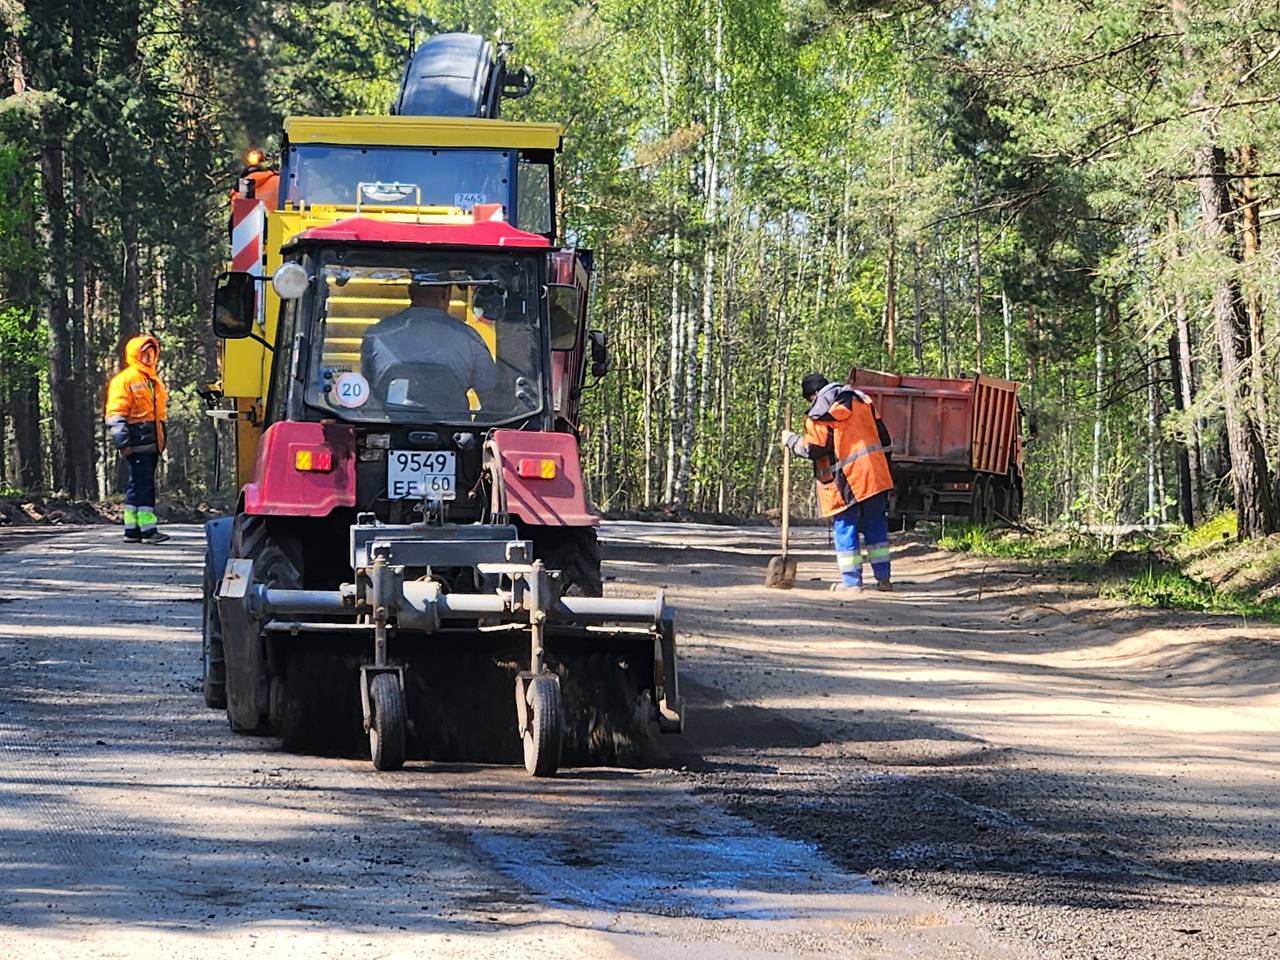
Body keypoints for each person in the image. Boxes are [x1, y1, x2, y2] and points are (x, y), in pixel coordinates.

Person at [781, 373, 895, 593]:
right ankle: (884, 579)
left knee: (846, 527)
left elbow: (814, 449)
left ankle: (852, 583)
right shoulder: (862, 401)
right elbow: (885, 438)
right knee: (875, 526)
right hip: (874, 476)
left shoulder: (819, 414)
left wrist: (791, 441)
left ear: (812, 396)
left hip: (846, 481)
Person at [360, 276, 497, 411]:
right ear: (447, 293)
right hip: (451, 431)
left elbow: (366, 393)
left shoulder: (377, 335)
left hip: (391, 431)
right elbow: (492, 399)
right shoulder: (468, 338)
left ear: (411, 291)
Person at [105, 334, 171, 544]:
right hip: (137, 442)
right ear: (135, 354)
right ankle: (148, 530)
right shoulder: (125, 380)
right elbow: (116, 414)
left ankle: (132, 530)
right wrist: (123, 443)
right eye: (144, 353)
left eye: (151, 353)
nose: (148, 357)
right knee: (144, 486)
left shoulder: (153, 381)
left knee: (138, 484)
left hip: (152, 443)